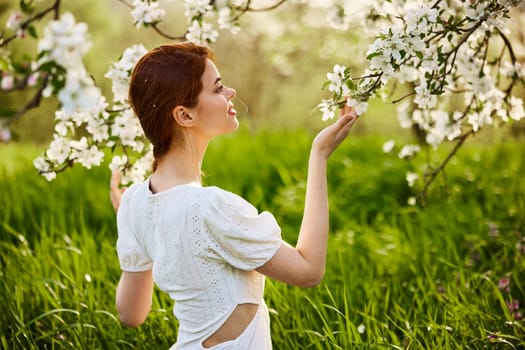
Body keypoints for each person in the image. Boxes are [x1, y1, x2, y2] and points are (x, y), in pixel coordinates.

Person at [110, 42, 358, 350]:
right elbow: (308, 271)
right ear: (185, 115)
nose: (230, 92)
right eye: (216, 89)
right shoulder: (210, 207)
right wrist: (319, 156)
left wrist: (129, 217)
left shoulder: (135, 202)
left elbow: (130, 314)